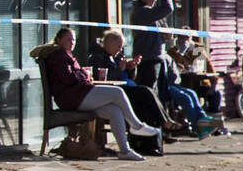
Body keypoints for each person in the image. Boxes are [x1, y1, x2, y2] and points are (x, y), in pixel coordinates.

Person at [45, 27, 160, 161]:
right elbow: (68, 78)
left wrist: (83, 74)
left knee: (114, 110)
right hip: (72, 97)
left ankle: (125, 151)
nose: (72, 42)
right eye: (68, 39)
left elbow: (74, 75)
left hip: (78, 94)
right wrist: (85, 73)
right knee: (117, 92)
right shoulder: (58, 56)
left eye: (74, 40)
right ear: (59, 40)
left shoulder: (67, 55)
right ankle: (136, 125)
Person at [88, 29, 173, 149]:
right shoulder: (98, 57)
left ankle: (151, 139)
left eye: (121, 46)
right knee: (145, 92)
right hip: (112, 92)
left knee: (146, 95)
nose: (120, 49)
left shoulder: (116, 56)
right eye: (118, 46)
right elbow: (104, 79)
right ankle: (164, 122)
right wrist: (120, 69)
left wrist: (131, 68)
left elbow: (130, 77)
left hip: (124, 88)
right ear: (109, 43)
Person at [159, 53, 222, 138]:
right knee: (186, 98)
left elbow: (208, 68)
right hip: (165, 86)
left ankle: (205, 122)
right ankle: (198, 128)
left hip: (176, 84)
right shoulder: (169, 52)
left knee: (192, 93)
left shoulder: (197, 50)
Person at [130, 0, 173, 92]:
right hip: (148, 57)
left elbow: (161, 24)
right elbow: (167, 8)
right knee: (149, 90)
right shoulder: (142, 12)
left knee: (159, 90)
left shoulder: (148, 11)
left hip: (156, 56)